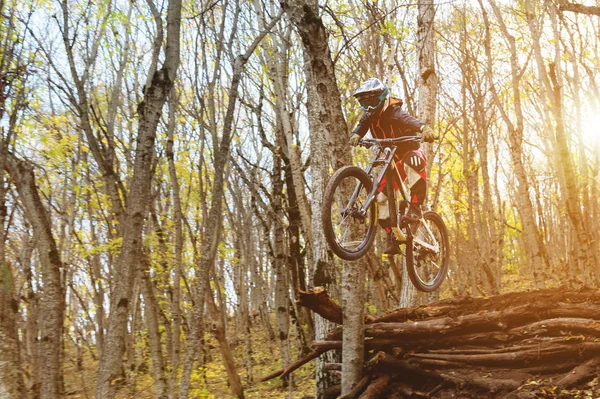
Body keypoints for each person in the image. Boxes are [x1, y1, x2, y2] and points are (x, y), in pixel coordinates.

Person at [348, 78, 436, 254]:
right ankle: (393, 236)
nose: (368, 106)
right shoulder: (368, 116)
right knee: (380, 198)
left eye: (371, 101)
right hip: (392, 161)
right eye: (364, 102)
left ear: (381, 98)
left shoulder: (394, 112)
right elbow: (361, 127)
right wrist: (356, 135)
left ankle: (415, 208)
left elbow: (410, 120)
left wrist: (424, 128)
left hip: (409, 153)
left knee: (414, 161)